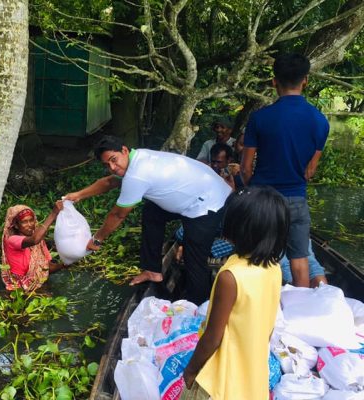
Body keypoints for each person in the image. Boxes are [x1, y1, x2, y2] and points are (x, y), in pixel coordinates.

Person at [65, 135, 231, 304]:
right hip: (199, 193)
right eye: (107, 165)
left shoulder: (137, 175)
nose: (112, 167)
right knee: (152, 212)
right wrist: (78, 195)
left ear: (124, 150)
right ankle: (153, 270)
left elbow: (118, 214)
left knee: (194, 259)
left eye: (114, 160)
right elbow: (109, 182)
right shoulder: (139, 156)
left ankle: (196, 307)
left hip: (208, 203)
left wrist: (97, 239)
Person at [182, 186, 290, 400]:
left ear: (241, 228)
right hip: (251, 376)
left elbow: (213, 337)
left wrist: (191, 370)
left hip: (220, 381)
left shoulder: (230, 277)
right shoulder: (273, 268)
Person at [241, 53, 330, 288]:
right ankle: (298, 311)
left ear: (274, 81)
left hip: (263, 200)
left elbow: (246, 168)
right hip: (296, 199)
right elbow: (309, 170)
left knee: (259, 258)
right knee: (300, 260)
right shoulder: (320, 121)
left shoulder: (259, 118)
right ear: (306, 80)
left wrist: (254, 191)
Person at [0, 201, 65, 292]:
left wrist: (64, 265)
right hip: (17, 291)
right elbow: (35, 240)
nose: (30, 225)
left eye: (31, 220)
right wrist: (53, 213)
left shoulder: (39, 242)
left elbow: (45, 268)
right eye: (24, 222)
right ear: (16, 226)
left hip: (38, 284)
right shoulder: (11, 240)